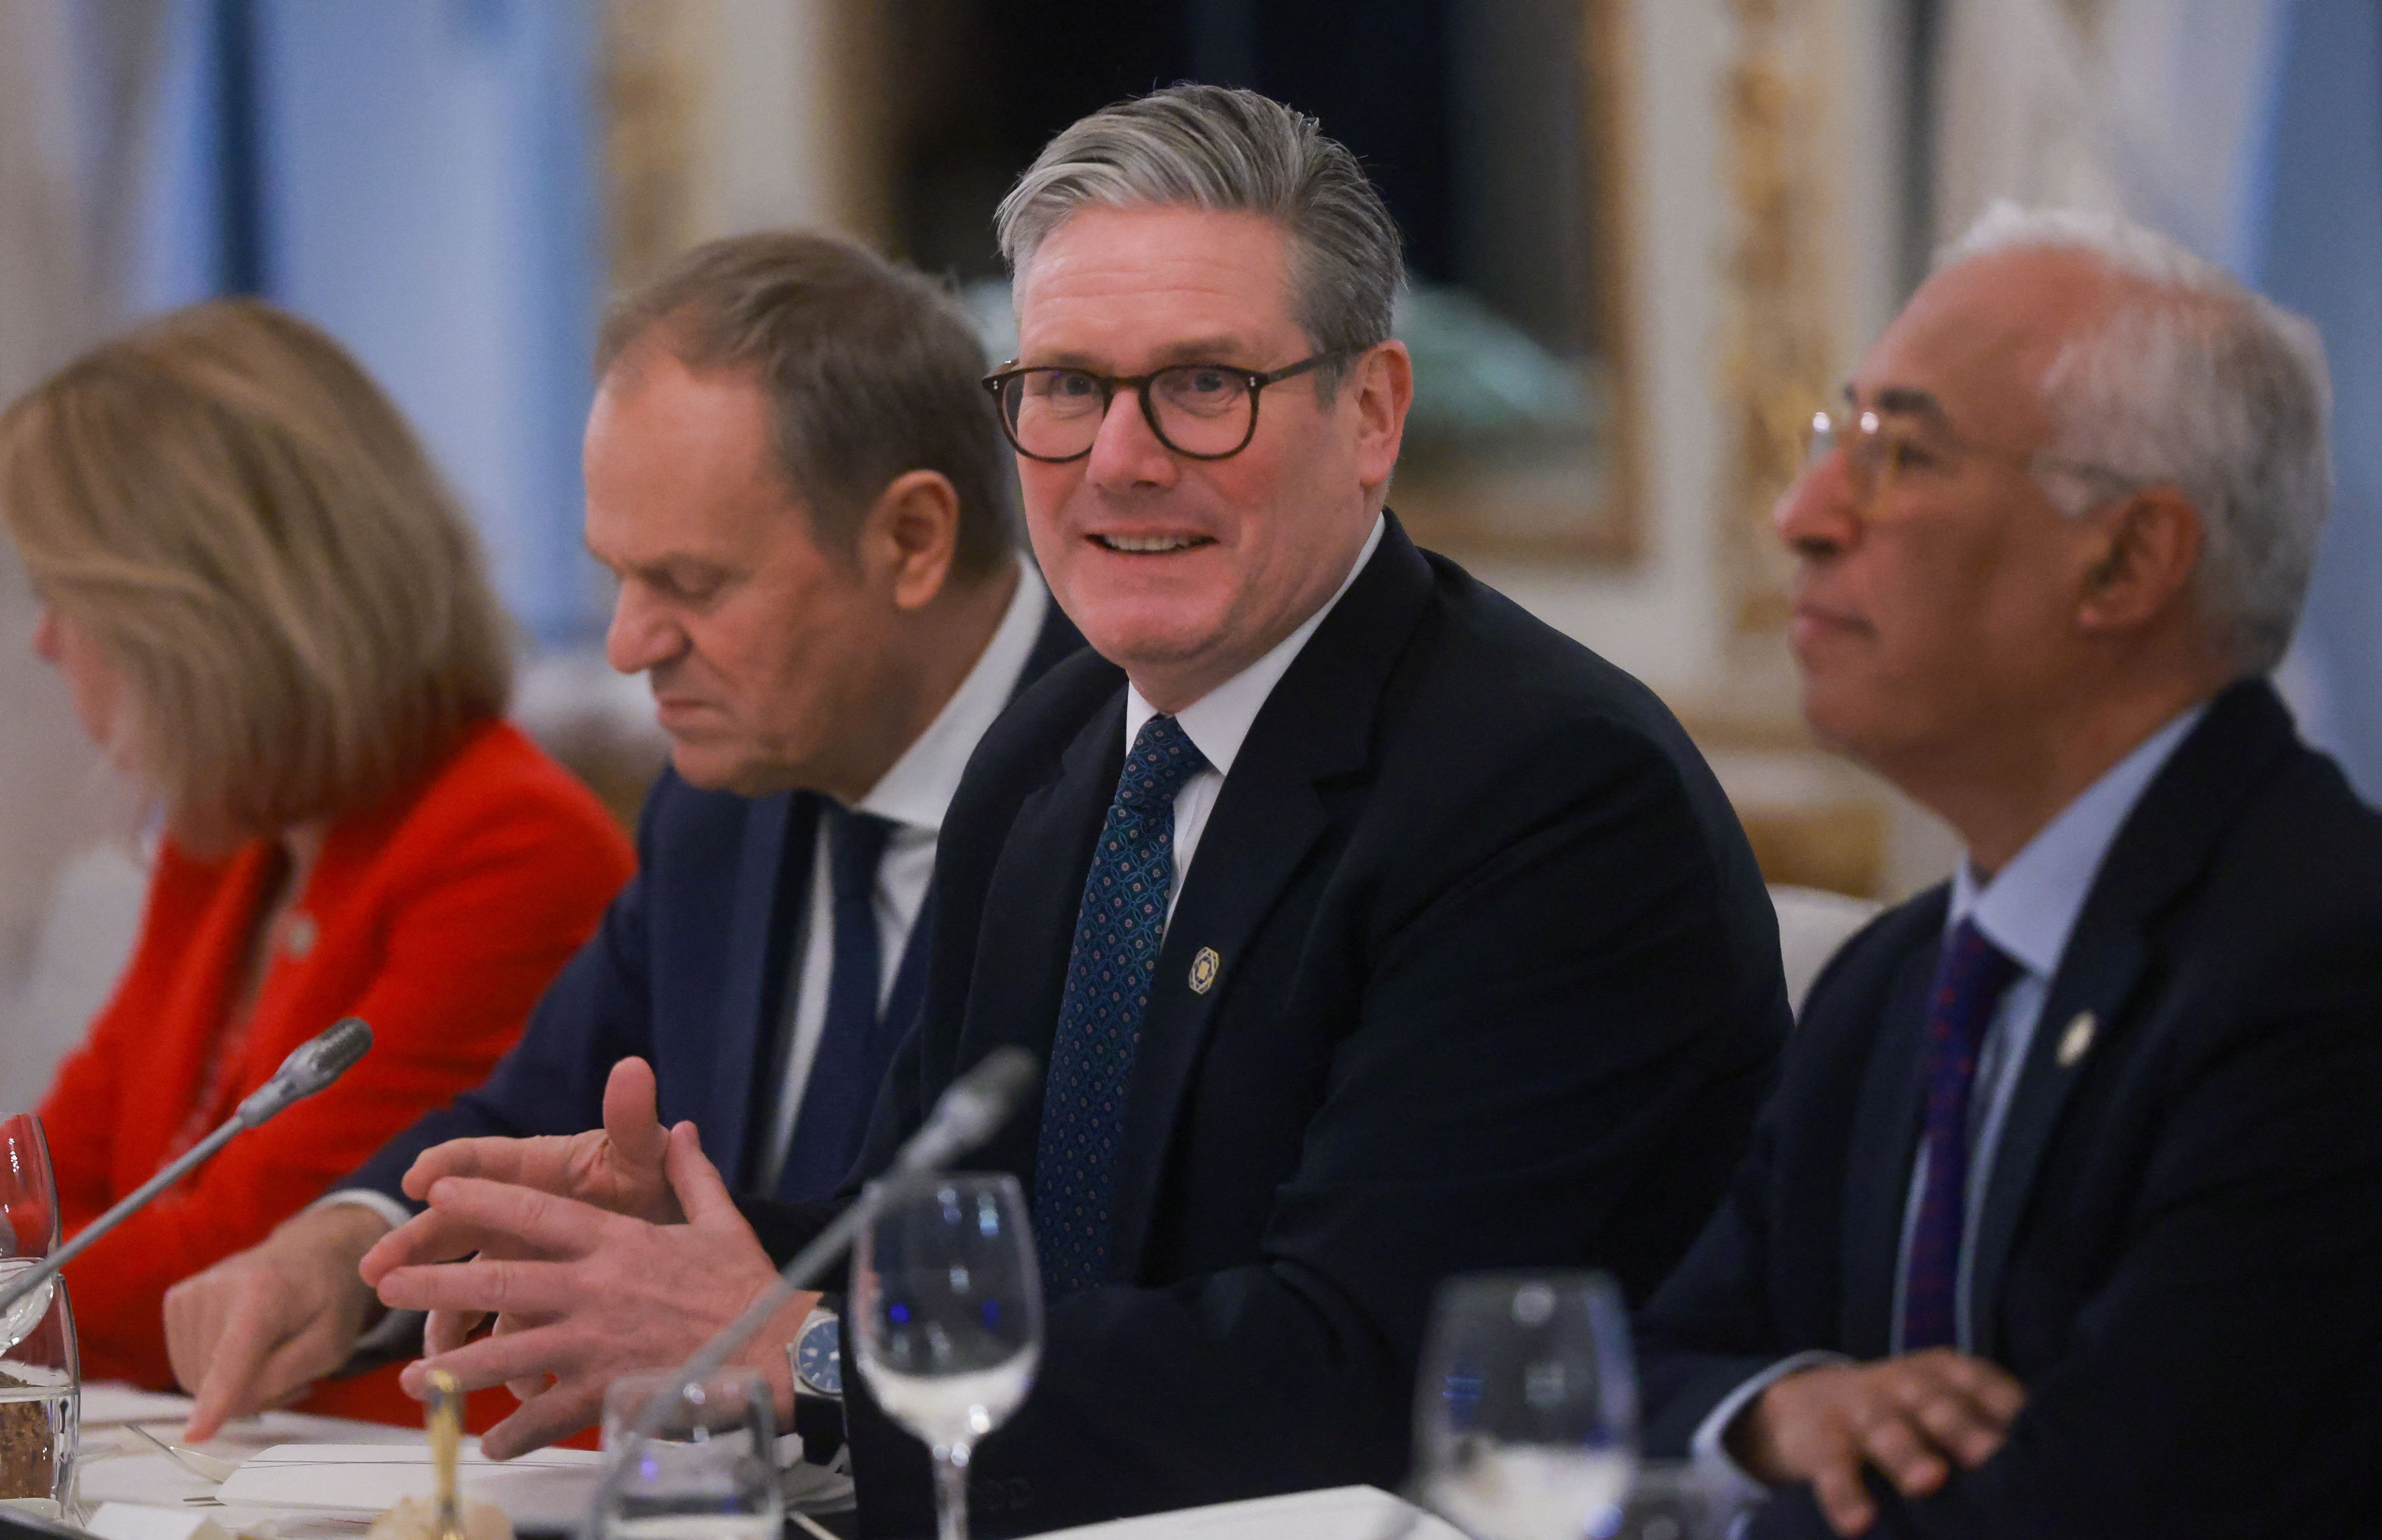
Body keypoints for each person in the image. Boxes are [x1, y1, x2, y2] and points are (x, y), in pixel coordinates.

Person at [358, 84, 1791, 1534]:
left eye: (1201, 385)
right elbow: (958, 1246)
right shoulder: (1052, 747)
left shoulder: (1548, 789)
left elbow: (1355, 1367)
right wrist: (688, 1249)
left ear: (1369, 414)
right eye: (1063, 387)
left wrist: (781, 1335)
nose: (1118, 458)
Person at [164, 232, 1086, 1449]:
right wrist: (339, 1245)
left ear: (910, 540)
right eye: (616, 578)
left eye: (691, 585)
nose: (628, 644)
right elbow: (537, 1107)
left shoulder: (1132, 786)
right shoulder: (716, 802)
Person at [1634, 203, 2382, 1539]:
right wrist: (1777, 1412)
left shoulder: (2333, 969)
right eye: (1835, 439)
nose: (1801, 513)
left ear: (2125, 559)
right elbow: (1651, 1366)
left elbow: (2109, 1507)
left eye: (1895, 453)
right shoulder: (1898, 979)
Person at [0, 299, 634, 1424]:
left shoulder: (508, 844)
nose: (47, 640)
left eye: (66, 596)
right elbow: (55, 1182)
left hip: (410, 1488)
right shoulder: (233, 834)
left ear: (208, 614)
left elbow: (233, 1267)